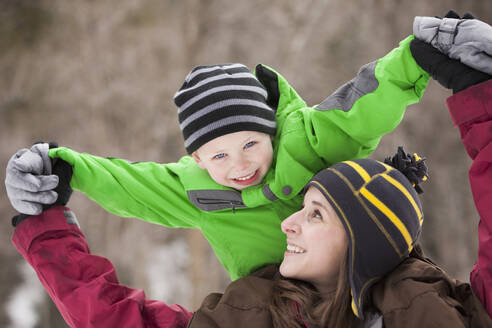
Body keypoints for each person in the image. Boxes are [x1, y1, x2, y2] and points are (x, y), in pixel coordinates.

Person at [9, 75, 492, 326]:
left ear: (361, 241)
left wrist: (479, 95)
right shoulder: (251, 314)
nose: (286, 223)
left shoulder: (445, 311)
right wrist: (48, 223)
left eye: (315, 213)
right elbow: (114, 319)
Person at [8, 13, 456, 283]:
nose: (239, 165)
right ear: (198, 159)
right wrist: (65, 165)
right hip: (282, 306)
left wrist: (417, 55)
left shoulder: (311, 144)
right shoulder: (201, 192)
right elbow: (131, 186)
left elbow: (366, 101)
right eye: (219, 155)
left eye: (250, 144)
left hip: (364, 283)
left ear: (270, 134)